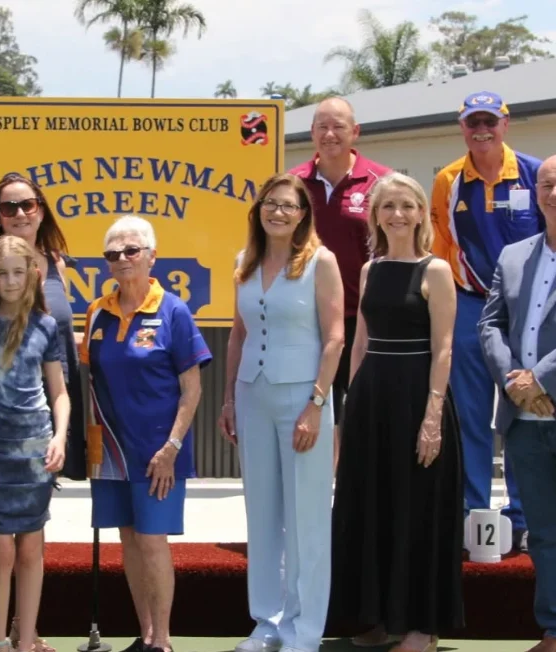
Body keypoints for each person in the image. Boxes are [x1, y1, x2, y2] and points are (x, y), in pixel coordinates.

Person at [331, 173, 463, 652]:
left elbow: (444, 348)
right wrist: (349, 414)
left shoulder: (436, 271)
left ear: (420, 213)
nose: (398, 215)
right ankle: (375, 618)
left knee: (418, 509)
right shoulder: (370, 270)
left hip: (418, 397)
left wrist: (432, 417)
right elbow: (361, 342)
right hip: (371, 400)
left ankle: (421, 628)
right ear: (376, 215)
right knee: (371, 506)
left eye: (407, 206)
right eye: (388, 207)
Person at [0, 174, 87, 652]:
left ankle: (25, 636)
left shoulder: (50, 297)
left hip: (37, 450)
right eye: (9, 207)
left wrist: (59, 436)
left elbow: (60, 389)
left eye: (27, 204)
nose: (19, 212)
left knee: (30, 545)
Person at [218, 174, 344, 652]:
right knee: (263, 513)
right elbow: (238, 334)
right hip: (254, 394)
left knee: (307, 516)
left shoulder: (321, 261)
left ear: (302, 214)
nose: (278, 212)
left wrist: (316, 404)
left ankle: (303, 629)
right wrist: (229, 398)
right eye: (270, 203)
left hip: (304, 399)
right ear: (259, 210)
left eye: (288, 206)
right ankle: (267, 622)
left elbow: (334, 337)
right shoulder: (243, 263)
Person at [79, 215, 212, 652]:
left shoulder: (174, 310)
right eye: (112, 254)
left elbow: (192, 389)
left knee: (153, 541)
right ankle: (146, 634)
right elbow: (86, 378)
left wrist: (172, 446)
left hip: (160, 451)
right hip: (111, 450)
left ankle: (164, 641)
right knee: (129, 539)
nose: (121, 259)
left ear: (152, 256)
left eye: (131, 250)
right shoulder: (98, 311)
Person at [477, 154, 556, 652]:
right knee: (544, 536)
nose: (555, 193)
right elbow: (489, 325)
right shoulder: (512, 255)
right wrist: (513, 381)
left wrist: (542, 378)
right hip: (522, 419)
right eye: (546, 184)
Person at [431, 91, 543, 550]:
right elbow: (439, 246)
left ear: (505, 124)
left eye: (489, 122)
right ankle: (473, 512)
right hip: (470, 305)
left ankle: (522, 514)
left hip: (528, 309)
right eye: (473, 122)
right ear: (462, 127)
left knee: (522, 411)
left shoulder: (535, 174)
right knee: (472, 415)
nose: (482, 130)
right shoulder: (448, 180)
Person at [289, 97, 390, 468]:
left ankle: (356, 496)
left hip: (364, 321)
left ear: (355, 132)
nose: (329, 135)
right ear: (312, 132)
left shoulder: (381, 183)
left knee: (361, 413)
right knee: (311, 411)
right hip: (306, 321)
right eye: (321, 127)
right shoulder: (293, 185)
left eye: (338, 127)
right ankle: (321, 494)